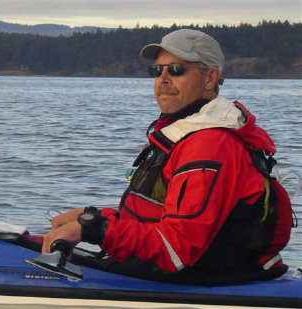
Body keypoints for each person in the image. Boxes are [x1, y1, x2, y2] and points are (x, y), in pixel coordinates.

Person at [41, 29, 293, 285]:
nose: (162, 79)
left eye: (175, 69)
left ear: (209, 78)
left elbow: (176, 249)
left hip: (202, 280)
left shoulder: (208, 145)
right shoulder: (186, 135)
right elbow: (153, 217)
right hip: (179, 272)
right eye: (156, 70)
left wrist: (93, 229)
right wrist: (91, 216)